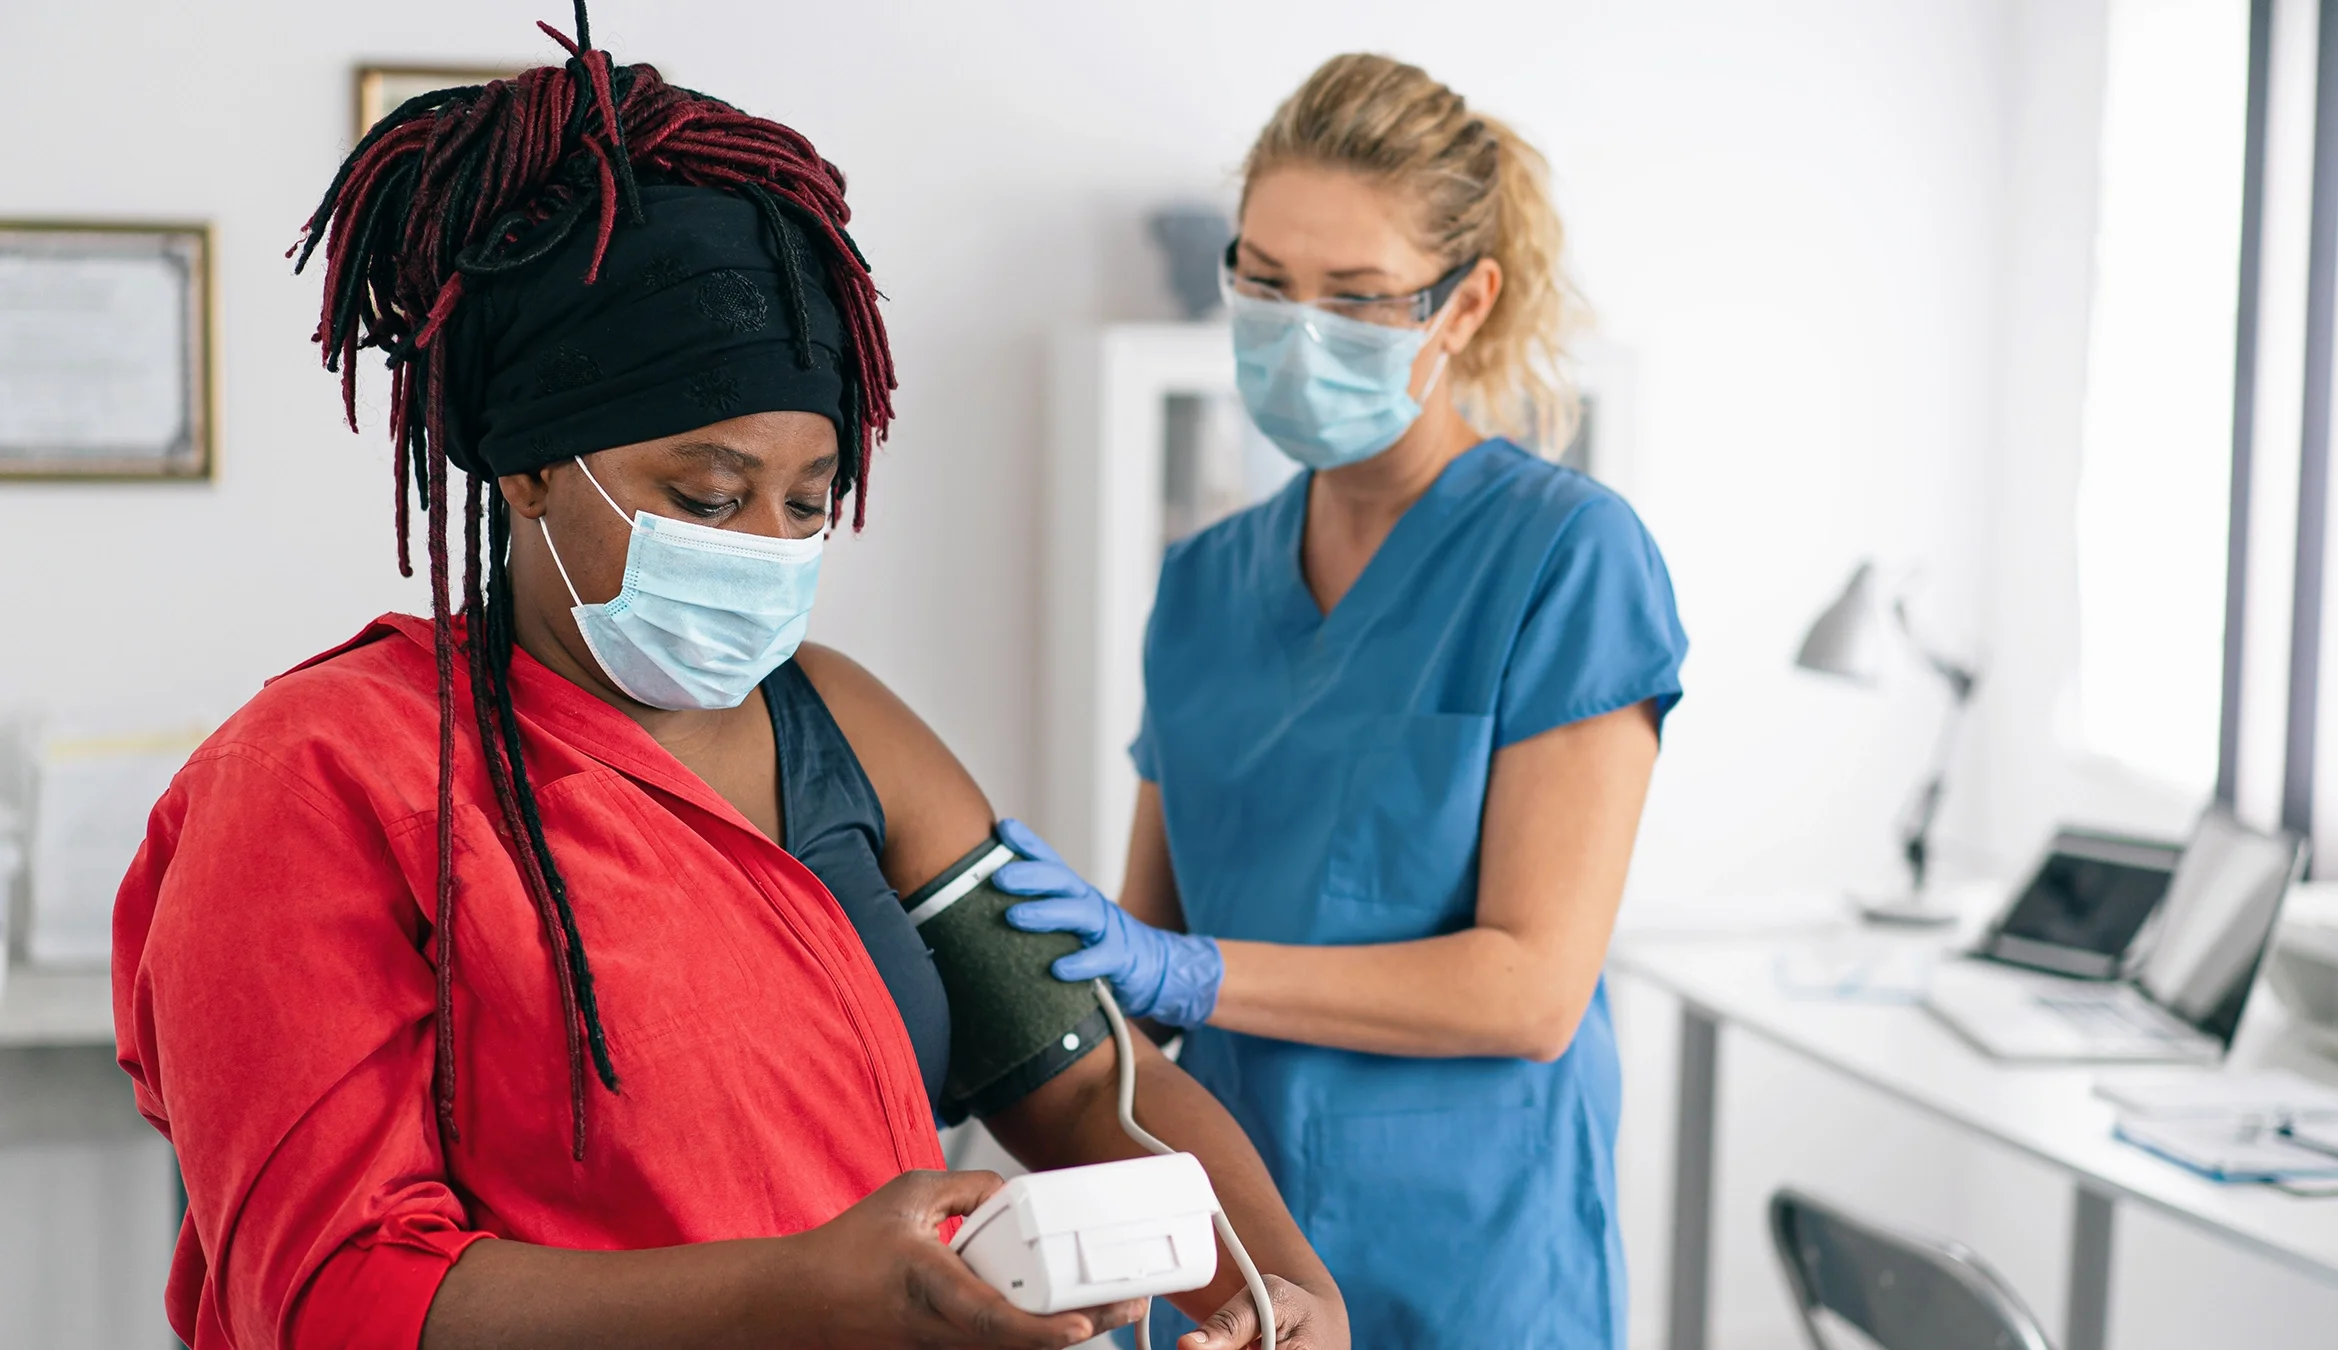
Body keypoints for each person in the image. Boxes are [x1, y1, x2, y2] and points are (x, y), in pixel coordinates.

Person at [109, 14, 1344, 1349]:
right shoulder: (316, 778)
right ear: (528, 467)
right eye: (705, 495)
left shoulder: (839, 727)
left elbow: (1096, 1086)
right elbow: (336, 1293)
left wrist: (1276, 1287)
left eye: (808, 502)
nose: (765, 551)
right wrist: (809, 1290)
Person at [995, 53, 1686, 1349]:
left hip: (1472, 1258)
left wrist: (1191, 971)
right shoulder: (1205, 582)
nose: (1294, 328)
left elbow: (1532, 987)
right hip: (1234, 1251)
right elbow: (1142, 968)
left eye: (1356, 297)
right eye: (1261, 281)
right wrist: (992, 985)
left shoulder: (1566, 560)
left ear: (1463, 305)